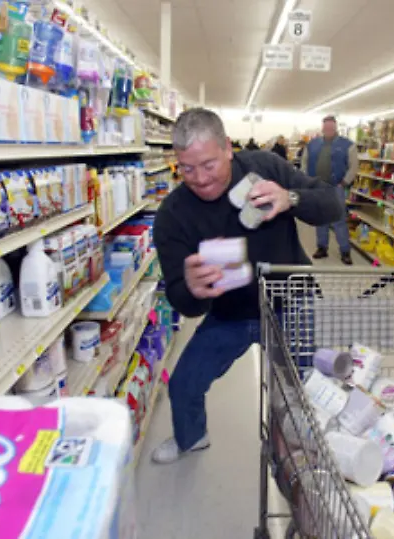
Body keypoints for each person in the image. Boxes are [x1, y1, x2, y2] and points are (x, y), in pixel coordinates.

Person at [151, 108, 345, 464]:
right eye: (187, 168)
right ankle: (191, 437)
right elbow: (184, 303)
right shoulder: (172, 215)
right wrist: (191, 289)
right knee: (183, 384)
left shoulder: (265, 168)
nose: (200, 179)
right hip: (231, 313)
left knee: (300, 389)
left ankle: (305, 456)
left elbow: (333, 205)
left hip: (292, 301)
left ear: (227, 147)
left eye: (209, 165)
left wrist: (291, 198)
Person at [302, 115, 359, 265]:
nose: (328, 130)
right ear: (322, 128)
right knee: (320, 218)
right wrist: (306, 181)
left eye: (331, 127)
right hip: (317, 187)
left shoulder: (348, 145)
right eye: (326, 127)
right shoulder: (312, 144)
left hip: (336, 187)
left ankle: (345, 251)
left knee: (339, 220)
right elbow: (304, 162)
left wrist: (345, 181)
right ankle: (322, 247)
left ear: (335, 128)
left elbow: (354, 166)